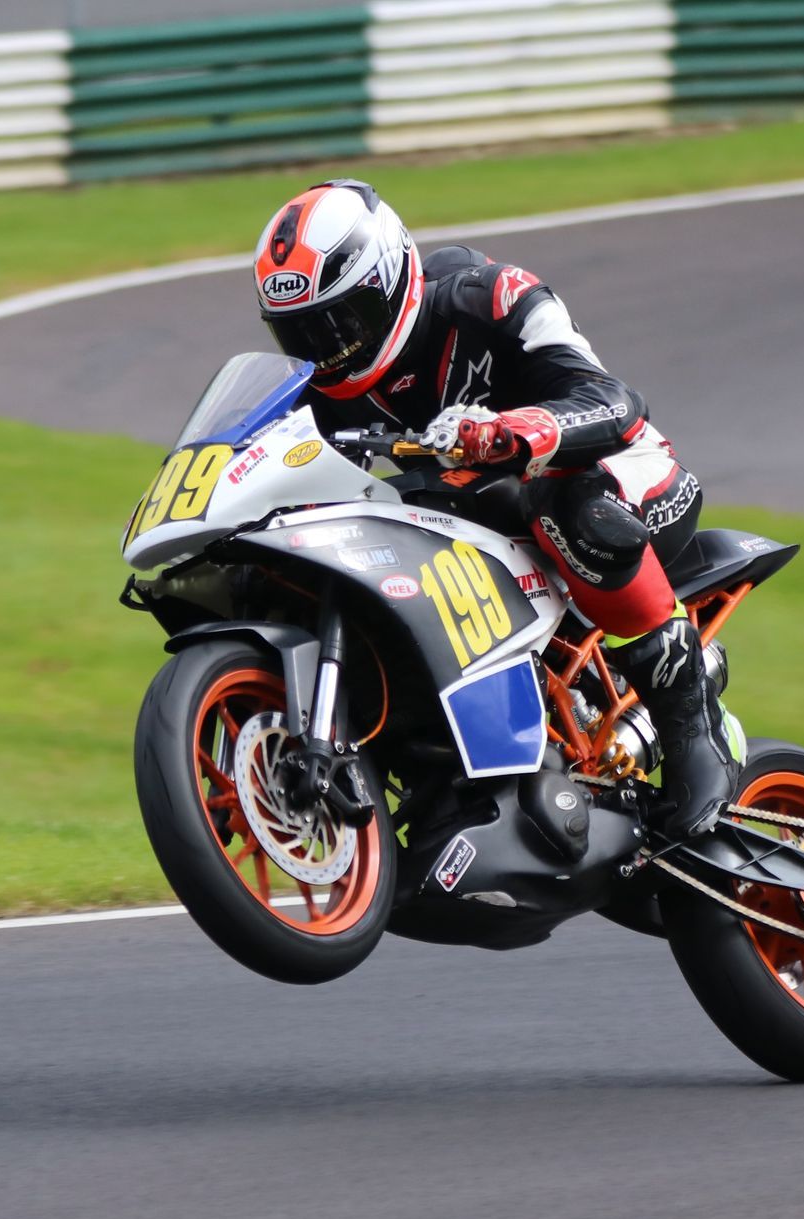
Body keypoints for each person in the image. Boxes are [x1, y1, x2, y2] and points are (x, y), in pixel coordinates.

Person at [251, 177, 733, 841]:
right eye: (303, 336)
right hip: (492, 515)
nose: (328, 350)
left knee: (565, 502)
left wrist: (515, 431)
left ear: (391, 280)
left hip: (625, 474)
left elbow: (615, 402)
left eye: (342, 323)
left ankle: (692, 732)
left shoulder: (492, 298)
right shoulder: (321, 389)